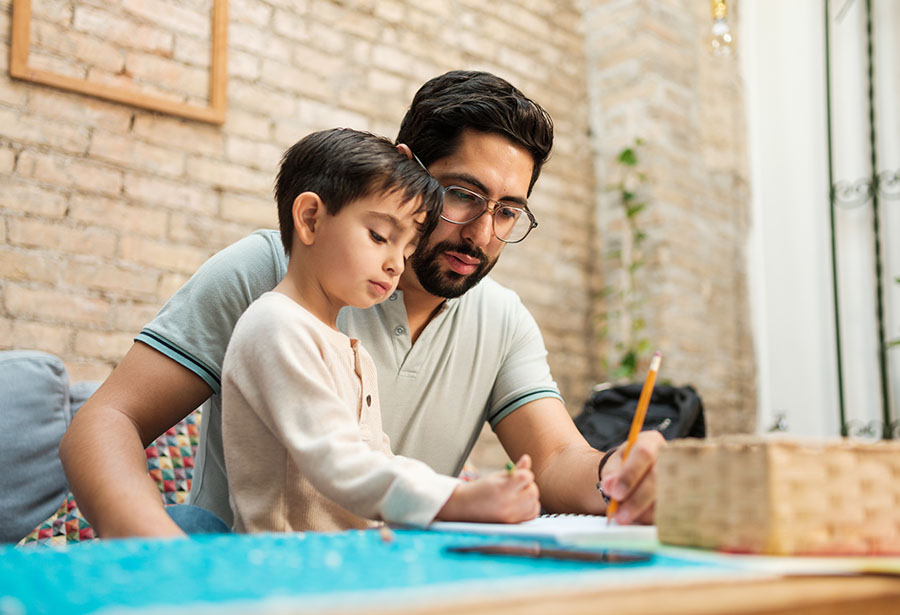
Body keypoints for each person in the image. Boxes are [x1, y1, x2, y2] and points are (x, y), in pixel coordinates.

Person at [59, 70, 664, 538]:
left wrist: (622, 470)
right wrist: (158, 553)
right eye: (462, 195)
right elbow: (107, 422)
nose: (481, 234)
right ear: (409, 168)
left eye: (506, 211)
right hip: (239, 568)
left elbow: (558, 458)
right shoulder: (270, 272)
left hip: (384, 581)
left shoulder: (502, 321)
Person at [223, 128, 539, 532]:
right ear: (310, 219)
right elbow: (340, 464)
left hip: (347, 564)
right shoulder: (276, 327)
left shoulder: (346, 348)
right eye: (379, 237)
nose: (396, 264)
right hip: (287, 570)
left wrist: (472, 491)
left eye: (406, 249)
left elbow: (377, 459)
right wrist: (457, 499)